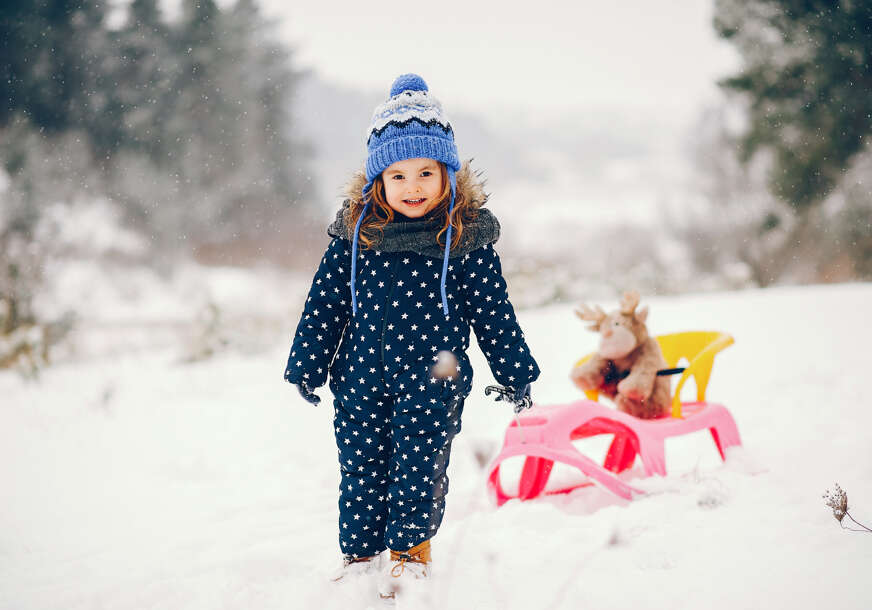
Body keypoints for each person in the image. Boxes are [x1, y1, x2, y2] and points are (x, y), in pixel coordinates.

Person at [283, 73, 540, 600]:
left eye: (426, 172)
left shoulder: (463, 239)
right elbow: (325, 305)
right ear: (378, 180)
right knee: (360, 468)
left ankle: (409, 555)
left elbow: (493, 312)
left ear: (448, 173)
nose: (413, 187)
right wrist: (307, 364)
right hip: (357, 378)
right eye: (398, 176)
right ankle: (359, 557)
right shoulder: (355, 236)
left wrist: (516, 373)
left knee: (418, 469)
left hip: (433, 379)